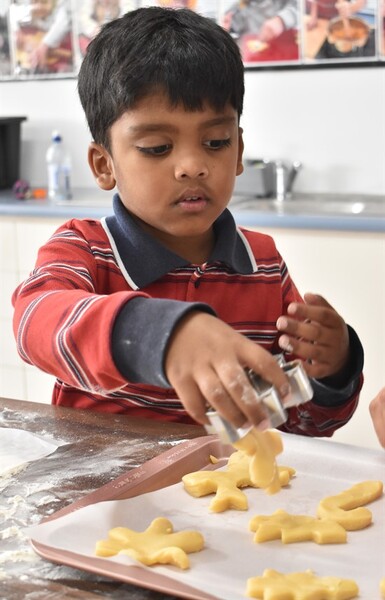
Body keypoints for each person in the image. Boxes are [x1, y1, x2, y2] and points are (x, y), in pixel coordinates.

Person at [12, 7, 364, 437]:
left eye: (216, 142)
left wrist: (331, 373)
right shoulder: (84, 249)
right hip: (106, 496)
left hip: (221, 496)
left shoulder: (265, 266)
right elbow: (34, 322)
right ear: (104, 165)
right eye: (158, 147)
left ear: (237, 153)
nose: (193, 166)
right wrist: (159, 336)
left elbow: (297, 424)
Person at [222, 0, 298, 44]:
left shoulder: (281, 2)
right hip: (252, 58)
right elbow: (229, 29)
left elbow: (301, 8)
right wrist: (224, 32)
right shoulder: (237, 8)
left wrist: (281, 20)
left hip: (285, 51)